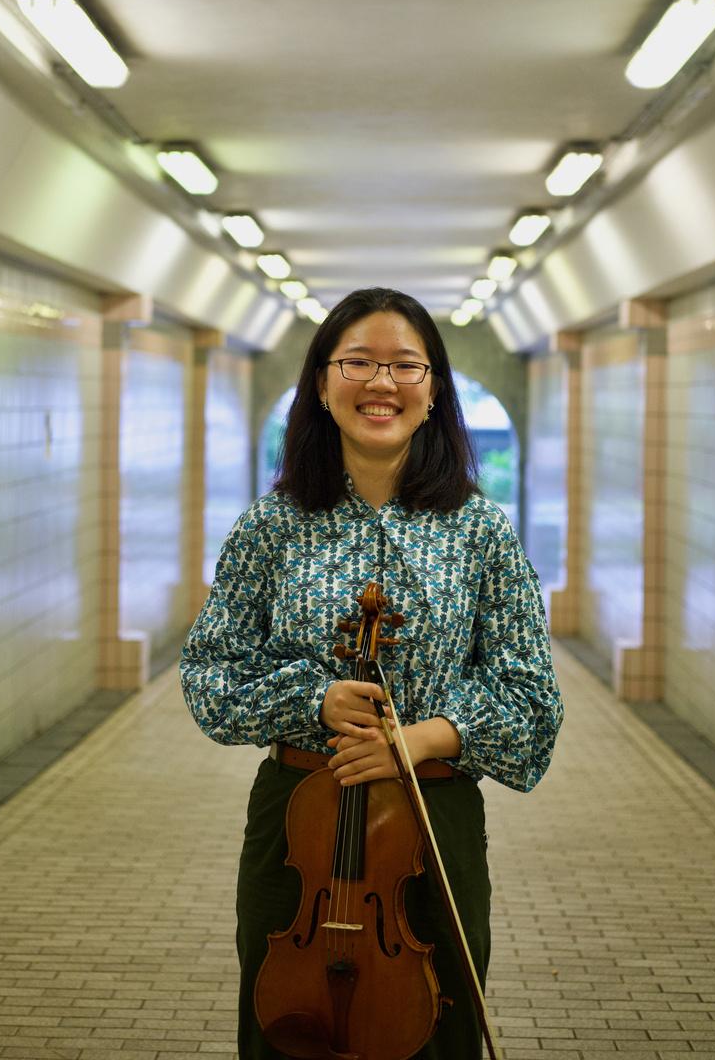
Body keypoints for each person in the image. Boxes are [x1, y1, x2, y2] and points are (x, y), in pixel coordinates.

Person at [180, 286, 563, 1060]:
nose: (381, 383)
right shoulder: (272, 525)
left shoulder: (481, 531)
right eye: (357, 362)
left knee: (438, 1030)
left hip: (433, 821)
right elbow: (209, 675)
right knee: (288, 1029)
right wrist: (312, 699)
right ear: (322, 385)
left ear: (433, 391)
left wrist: (418, 740)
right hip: (299, 822)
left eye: (404, 365)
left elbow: (533, 703)